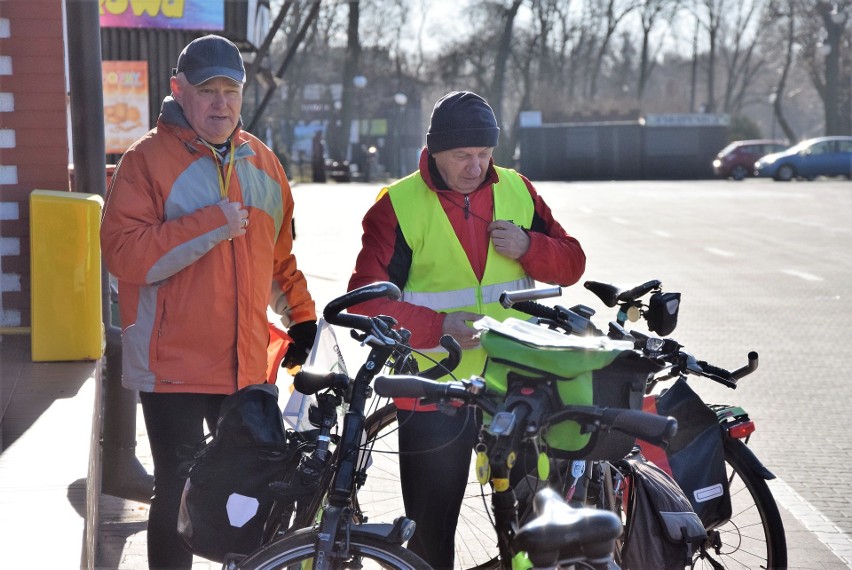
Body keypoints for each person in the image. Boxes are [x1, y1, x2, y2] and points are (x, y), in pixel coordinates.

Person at [100, 34, 317, 570]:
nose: (221, 102)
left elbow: (279, 258)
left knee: (245, 487)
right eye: (207, 90)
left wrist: (303, 316)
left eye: (231, 89)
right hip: (172, 363)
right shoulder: (145, 161)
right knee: (177, 489)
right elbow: (123, 255)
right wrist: (211, 225)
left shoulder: (264, 163)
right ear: (178, 90)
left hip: (245, 363)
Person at [346, 90, 586, 568]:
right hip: (433, 386)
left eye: (484, 154)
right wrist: (438, 325)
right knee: (432, 535)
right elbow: (367, 301)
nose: (476, 166)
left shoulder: (518, 189)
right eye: (462, 156)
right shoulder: (396, 206)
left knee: (532, 529)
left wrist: (530, 246)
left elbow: (572, 263)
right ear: (434, 152)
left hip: (516, 385)